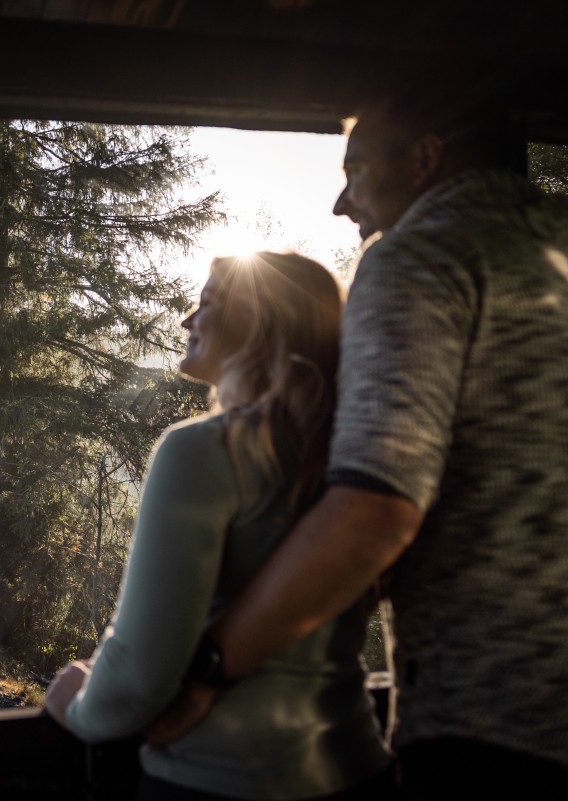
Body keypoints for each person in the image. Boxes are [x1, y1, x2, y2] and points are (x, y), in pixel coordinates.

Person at [147, 81, 568, 798]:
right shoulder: (553, 236)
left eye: (356, 171)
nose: (343, 203)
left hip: (492, 719)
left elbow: (376, 508)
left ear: (425, 158)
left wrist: (208, 668)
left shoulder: (416, 256)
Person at [44, 252, 395, 800]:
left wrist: (79, 705)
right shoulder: (348, 460)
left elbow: (140, 673)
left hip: (216, 781)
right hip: (359, 771)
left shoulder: (202, 451)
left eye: (205, 304)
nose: (186, 320)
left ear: (257, 320)